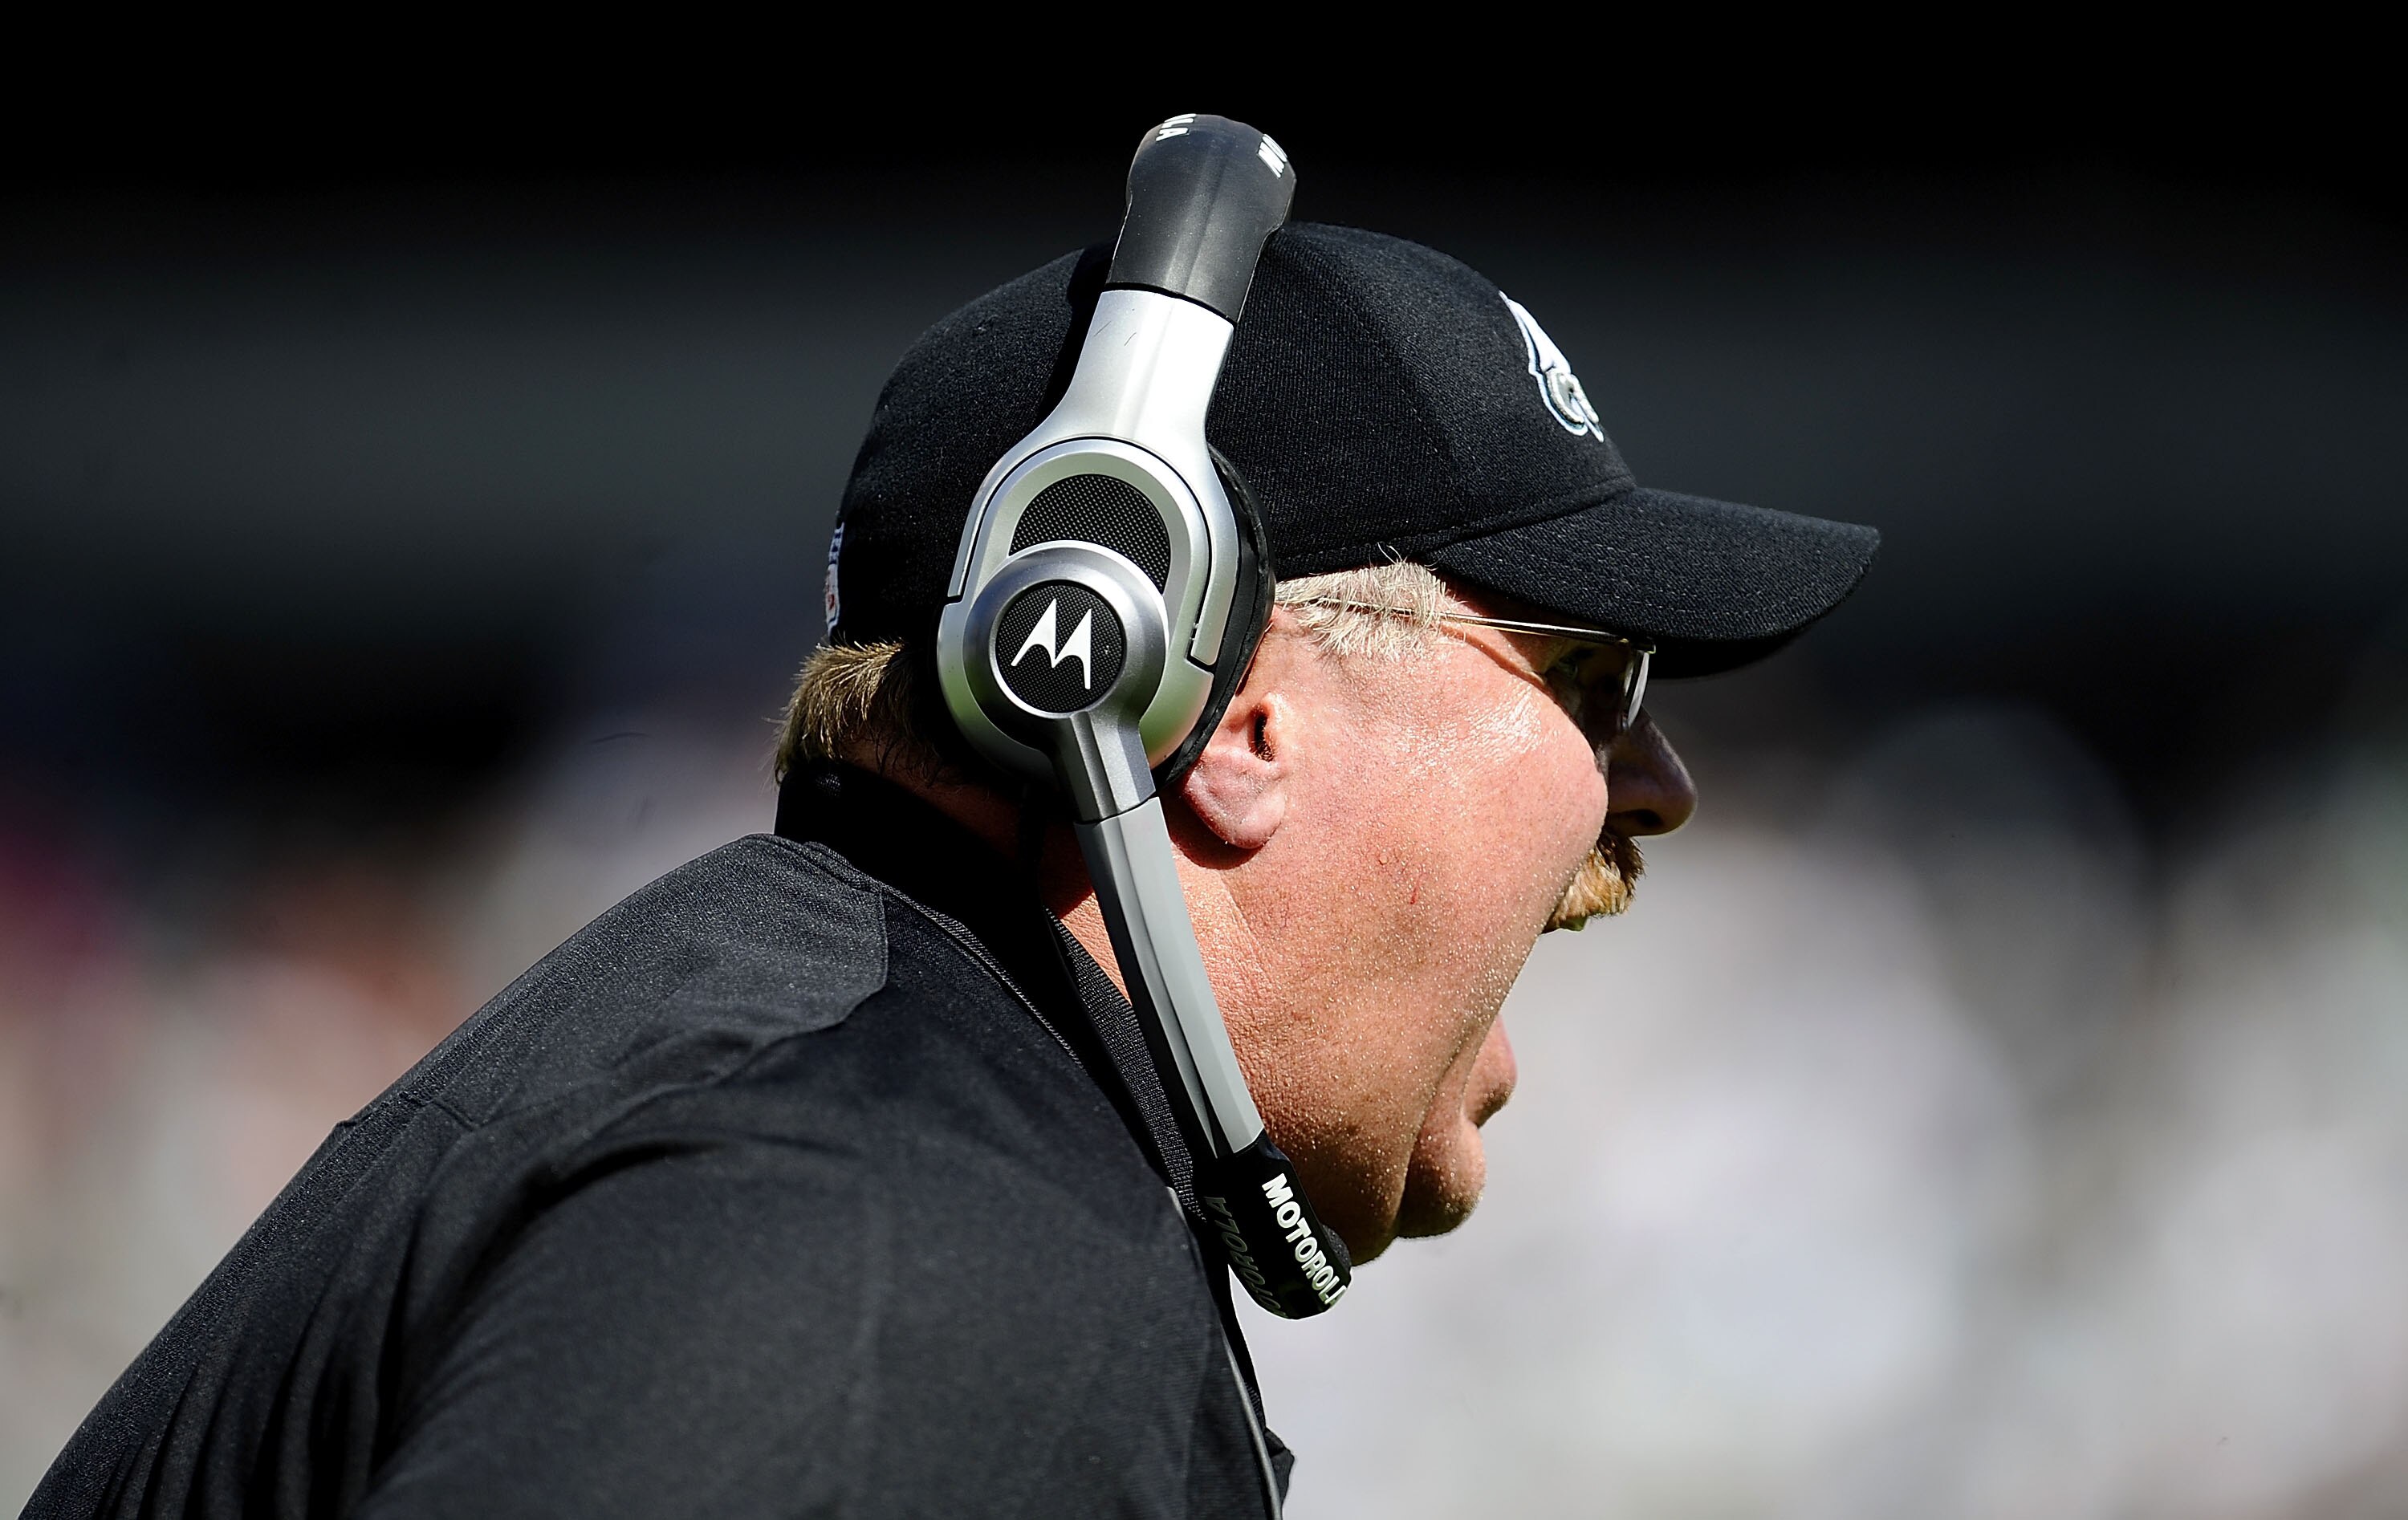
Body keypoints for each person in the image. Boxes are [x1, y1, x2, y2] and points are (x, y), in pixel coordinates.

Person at [26, 221, 1876, 1518]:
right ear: (1219, 718)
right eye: (1588, 677)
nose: (1657, 787)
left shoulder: (842, 1096)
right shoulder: (907, 1247)